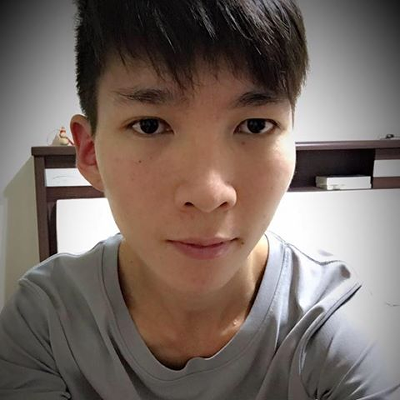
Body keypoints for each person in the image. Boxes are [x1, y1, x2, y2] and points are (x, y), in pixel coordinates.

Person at [0, 0, 399, 399]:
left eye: (255, 125)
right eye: (150, 125)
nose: (209, 195)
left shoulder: (337, 327)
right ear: (90, 152)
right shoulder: (45, 323)